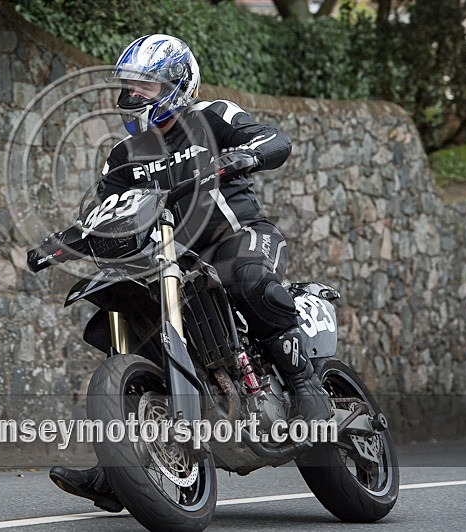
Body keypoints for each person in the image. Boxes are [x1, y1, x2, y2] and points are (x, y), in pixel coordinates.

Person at [49, 34, 331, 512]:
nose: (133, 95)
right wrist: (58, 244)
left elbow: (273, 140)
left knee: (246, 278)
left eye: (145, 86)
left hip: (236, 235)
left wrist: (244, 155)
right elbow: (101, 210)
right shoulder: (124, 155)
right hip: (171, 259)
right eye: (129, 86)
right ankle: (124, 466)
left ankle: (305, 386)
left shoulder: (212, 115)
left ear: (178, 82)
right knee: (131, 316)